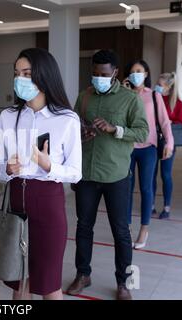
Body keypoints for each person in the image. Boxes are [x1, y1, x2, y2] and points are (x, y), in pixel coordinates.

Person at [0, 48, 82, 300]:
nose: (20, 79)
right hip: (17, 198)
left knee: (48, 281)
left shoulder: (66, 119)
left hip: (48, 200)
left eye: (27, 73)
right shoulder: (8, 116)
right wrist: (8, 169)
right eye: (17, 73)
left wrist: (48, 165)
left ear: (44, 76)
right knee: (18, 279)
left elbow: (75, 174)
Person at [66, 50, 149, 300]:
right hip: (87, 175)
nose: (98, 78)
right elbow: (72, 129)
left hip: (116, 176)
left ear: (114, 73)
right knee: (83, 227)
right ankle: (83, 274)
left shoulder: (129, 99)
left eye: (103, 74)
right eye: (94, 73)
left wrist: (115, 129)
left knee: (120, 231)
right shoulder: (84, 97)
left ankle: (122, 282)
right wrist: (82, 133)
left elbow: (143, 132)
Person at [123, 60, 174, 249]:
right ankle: (125, 228)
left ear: (145, 74)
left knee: (146, 188)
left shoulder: (154, 96)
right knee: (126, 189)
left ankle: (144, 228)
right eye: (132, 71)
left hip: (148, 148)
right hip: (127, 147)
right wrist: (122, 91)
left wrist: (169, 142)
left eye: (139, 71)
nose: (135, 74)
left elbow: (165, 121)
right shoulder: (124, 95)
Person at [152, 72, 182, 219]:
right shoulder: (153, 98)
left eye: (160, 85)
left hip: (168, 142)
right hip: (153, 141)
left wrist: (168, 123)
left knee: (165, 175)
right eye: (157, 84)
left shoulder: (177, 103)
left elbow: (181, 122)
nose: (157, 87)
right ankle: (151, 205)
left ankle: (166, 207)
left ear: (169, 88)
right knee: (151, 175)